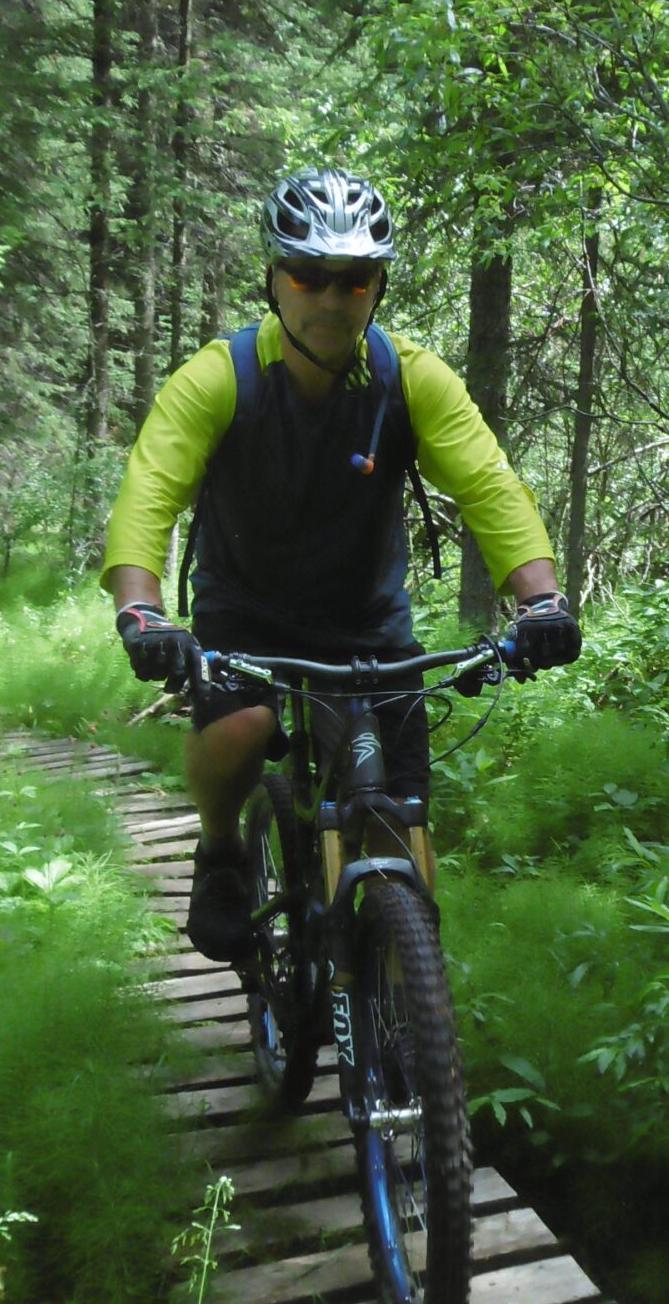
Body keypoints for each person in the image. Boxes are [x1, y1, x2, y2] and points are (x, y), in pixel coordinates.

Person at [102, 164, 581, 958]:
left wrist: (541, 602)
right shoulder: (222, 377)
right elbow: (148, 492)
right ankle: (220, 850)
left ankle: (401, 992)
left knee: (398, 810)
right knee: (243, 727)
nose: (329, 298)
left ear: (377, 287)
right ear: (275, 281)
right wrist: (143, 610)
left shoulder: (410, 379)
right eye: (308, 276)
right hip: (245, 615)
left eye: (353, 282)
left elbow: (490, 487)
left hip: (369, 621)